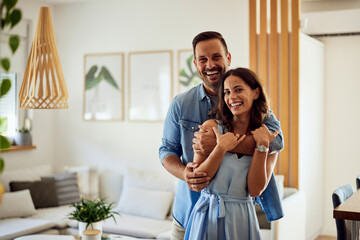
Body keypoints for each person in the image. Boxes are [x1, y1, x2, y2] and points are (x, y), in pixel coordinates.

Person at [159, 31, 283, 240]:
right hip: (189, 212)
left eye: (216, 57)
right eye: (202, 59)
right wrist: (185, 175)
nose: (210, 65)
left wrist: (221, 143)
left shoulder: (258, 111)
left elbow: (275, 141)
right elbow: (166, 151)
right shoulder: (181, 104)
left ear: (228, 58)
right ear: (196, 64)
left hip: (239, 215)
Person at [184, 67, 278, 239]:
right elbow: (198, 179)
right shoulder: (211, 128)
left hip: (242, 218)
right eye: (227, 92)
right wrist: (220, 148)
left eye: (238, 90)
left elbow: (255, 190)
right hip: (208, 215)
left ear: (256, 93)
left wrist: (261, 147)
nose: (232, 97)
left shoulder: (268, 138)